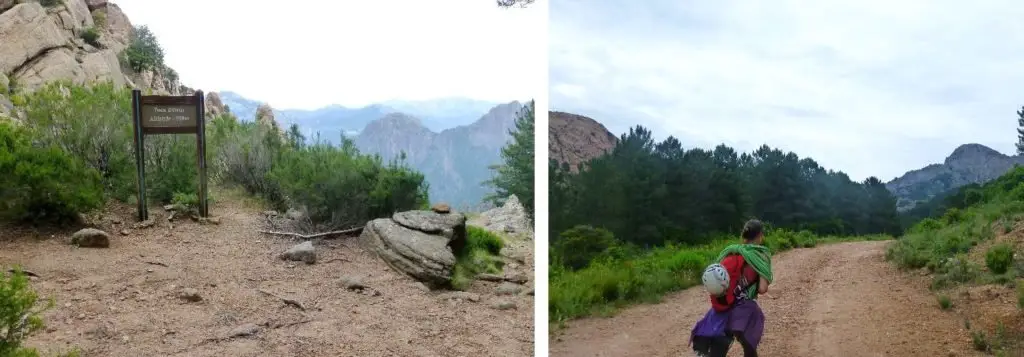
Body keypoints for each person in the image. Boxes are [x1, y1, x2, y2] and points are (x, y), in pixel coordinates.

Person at [690, 219, 773, 357]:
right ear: (760, 236)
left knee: (722, 335)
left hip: (725, 302)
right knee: (750, 332)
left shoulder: (730, 252)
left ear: (743, 236)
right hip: (743, 304)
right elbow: (762, 289)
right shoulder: (759, 255)